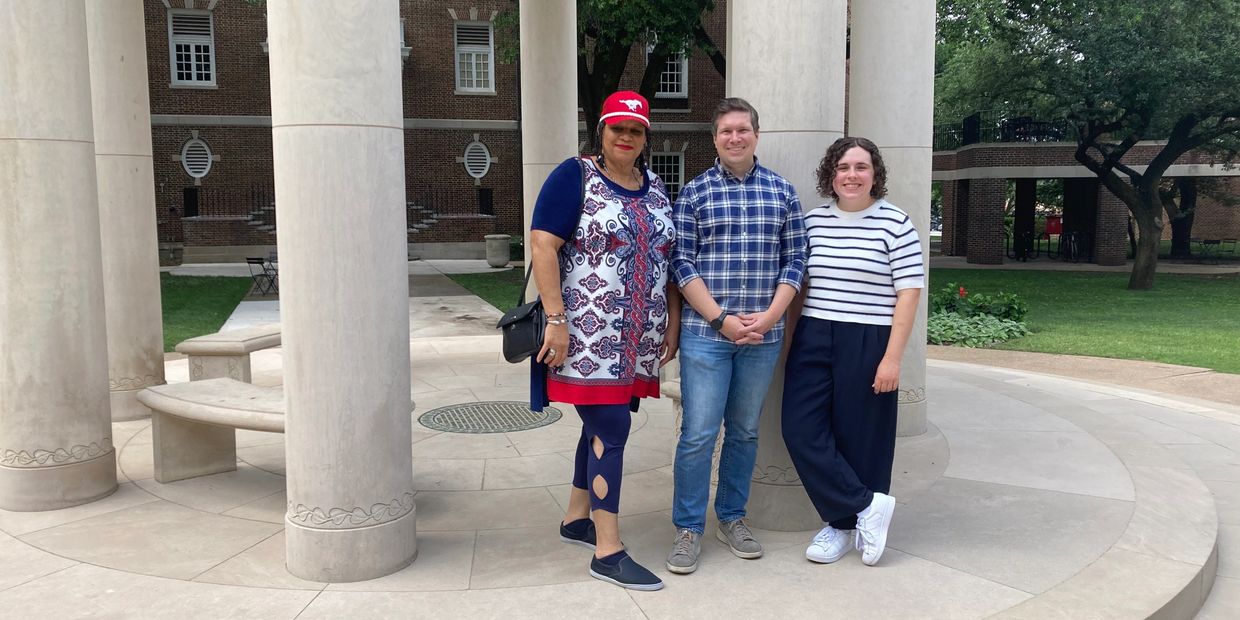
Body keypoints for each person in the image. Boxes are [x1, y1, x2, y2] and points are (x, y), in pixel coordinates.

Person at [528, 90, 679, 591]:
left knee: (597, 427)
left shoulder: (655, 186)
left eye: (635, 130)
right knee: (610, 430)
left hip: (637, 337)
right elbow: (543, 246)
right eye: (618, 128)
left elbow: (668, 259)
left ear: (645, 137)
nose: (626, 137)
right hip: (585, 338)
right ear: (603, 130)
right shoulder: (574, 176)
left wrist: (670, 323)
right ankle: (607, 550)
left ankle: (577, 518)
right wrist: (556, 319)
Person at [666, 97, 807, 575]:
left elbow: (796, 260)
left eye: (742, 129)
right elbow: (681, 262)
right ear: (715, 138)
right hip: (706, 335)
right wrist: (720, 319)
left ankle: (731, 517)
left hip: (762, 336)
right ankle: (688, 528)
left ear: (756, 135)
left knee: (744, 432)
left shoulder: (783, 192)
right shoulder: (694, 193)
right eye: (726, 131)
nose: (734, 138)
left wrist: (770, 318)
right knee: (699, 434)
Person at [781, 136, 925, 567]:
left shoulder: (895, 223)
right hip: (813, 334)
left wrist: (893, 357)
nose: (852, 175)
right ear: (831, 174)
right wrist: (791, 343)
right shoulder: (812, 222)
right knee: (799, 429)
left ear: (875, 174)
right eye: (843, 167)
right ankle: (867, 506)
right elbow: (799, 287)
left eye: (861, 167)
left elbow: (909, 293)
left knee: (862, 437)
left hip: (870, 338)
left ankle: (844, 524)